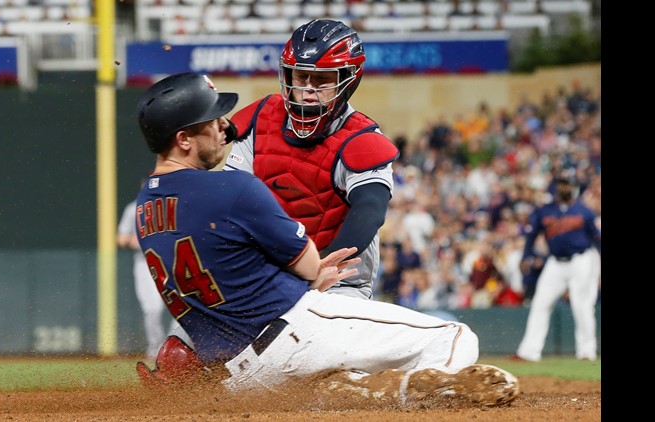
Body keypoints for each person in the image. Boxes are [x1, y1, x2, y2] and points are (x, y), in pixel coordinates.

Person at [129, 72, 520, 407]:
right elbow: (310, 266)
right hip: (297, 328)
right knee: (455, 337)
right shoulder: (232, 188)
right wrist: (316, 269)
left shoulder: (146, 209)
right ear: (183, 139)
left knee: (334, 376)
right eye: (212, 120)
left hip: (241, 375)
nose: (223, 126)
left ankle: (355, 390)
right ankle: (416, 399)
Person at [223, 19, 400, 300]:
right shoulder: (258, 119)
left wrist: (316, 269)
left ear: (349, 78)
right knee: (182, 342)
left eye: (321, 80)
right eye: (299, 77)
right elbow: (233, 198)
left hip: (337, 283)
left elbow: (369, 212)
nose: (307, 90)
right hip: (265, 277)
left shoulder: (363, 139)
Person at [513, 175, 601, 362]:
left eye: (567, 185)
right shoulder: (545, 211)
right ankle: (529, 351)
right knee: (540, 303)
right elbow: (531, 235)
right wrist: (525, 256)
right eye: (561, 185)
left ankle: (586, 351)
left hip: (582, 260)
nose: (564, 189)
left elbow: (596, 238)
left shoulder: (583, 211)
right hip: (555, 262)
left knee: (582, 305)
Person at [118, 192, 180, 360]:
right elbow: (122, 239)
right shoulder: (134, 208)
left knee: (181, 309)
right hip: (145, 263)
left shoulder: (173, 205)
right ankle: (156, 350)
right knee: (153, 309)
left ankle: (175, 347)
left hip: (172, 261)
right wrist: (146, 241)